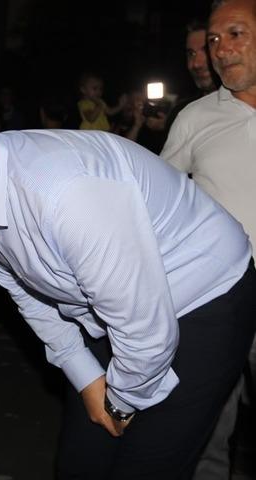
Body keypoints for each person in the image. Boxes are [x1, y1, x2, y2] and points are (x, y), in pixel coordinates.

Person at [0, 73, 256, 478]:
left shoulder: (67, 195)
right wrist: (85, 374)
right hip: (124, 308)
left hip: (207, 297)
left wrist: (120, 402)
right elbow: (28, 292)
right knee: (81, 462)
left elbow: (146, 332)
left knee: (146, 464)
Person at [161, 1, 256, 477]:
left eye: (235, 33)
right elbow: (159, 203)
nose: (220, 50)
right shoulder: (195, 118)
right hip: (216, 298)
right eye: (214, 40)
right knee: (207, 431)